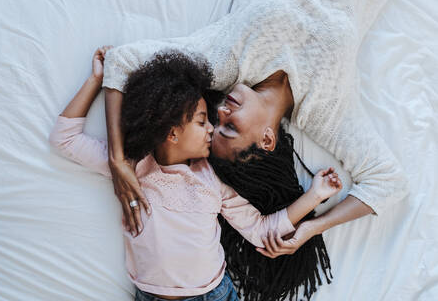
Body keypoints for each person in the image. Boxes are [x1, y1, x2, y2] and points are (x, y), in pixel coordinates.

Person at [100, 0, 409, 299]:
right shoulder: (325, 110)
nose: (221, 112)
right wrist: (310, 229)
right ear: (266, 140)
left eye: (214, 121)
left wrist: (118, 159)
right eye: (230, 128)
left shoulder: (225, 63)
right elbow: (389, 182)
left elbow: (122, 61)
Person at [49, 47, 343, 300]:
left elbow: (261, 230)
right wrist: (96, 80)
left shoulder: (213, 181)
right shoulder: (131, 168)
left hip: (213, 293)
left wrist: (314, 195)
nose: (212, 129)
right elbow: (65, 139)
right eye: (202, 121)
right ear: (172, 132)